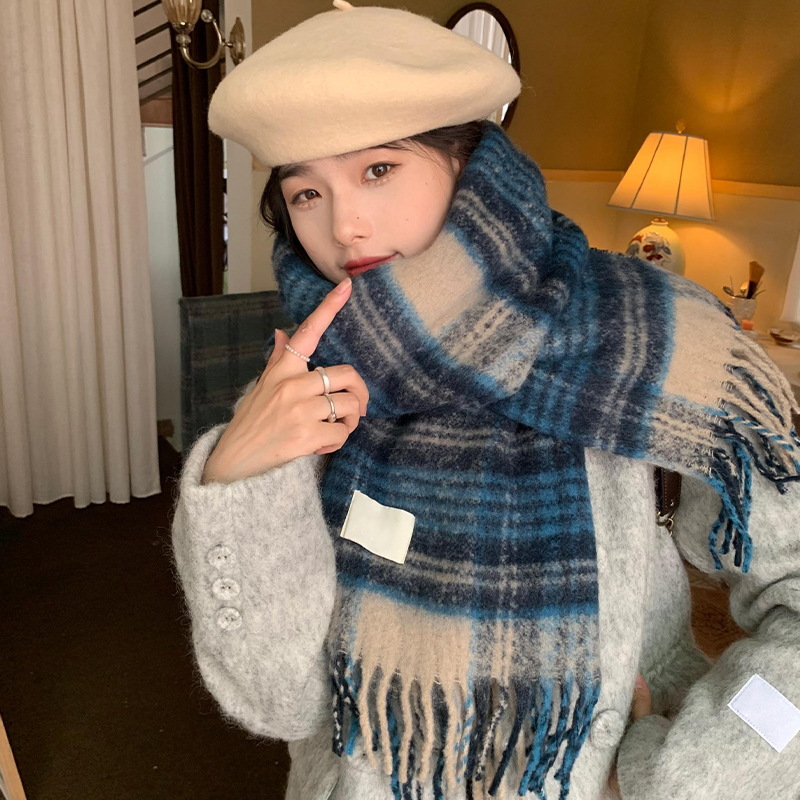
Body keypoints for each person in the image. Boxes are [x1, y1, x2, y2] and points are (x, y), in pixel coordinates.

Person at [169, 3, 800, 800]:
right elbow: (277, 703)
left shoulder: (653, 334)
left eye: (378, 170)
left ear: (466, 158)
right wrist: (239, 480)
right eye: (305, 193)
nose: (344, 225)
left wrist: (683, 777)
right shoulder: (302, 384)